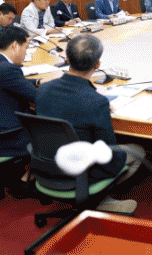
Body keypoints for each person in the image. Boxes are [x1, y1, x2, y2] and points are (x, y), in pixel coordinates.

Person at [36, 34, 145, 214]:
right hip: (82, 171)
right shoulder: (96, 102)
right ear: (97, 64)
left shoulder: (42, 89)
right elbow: (108, 152)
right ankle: (100, 198)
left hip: (46, 166)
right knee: (139, 151)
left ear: (67, 59)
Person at [0, 26, 36, 158]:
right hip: (6, 139)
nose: (26, 53)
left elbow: (9, 83)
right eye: (25, 48)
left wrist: (36, 82)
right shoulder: (8, 69)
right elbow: (36, 97)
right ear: (15, 46)